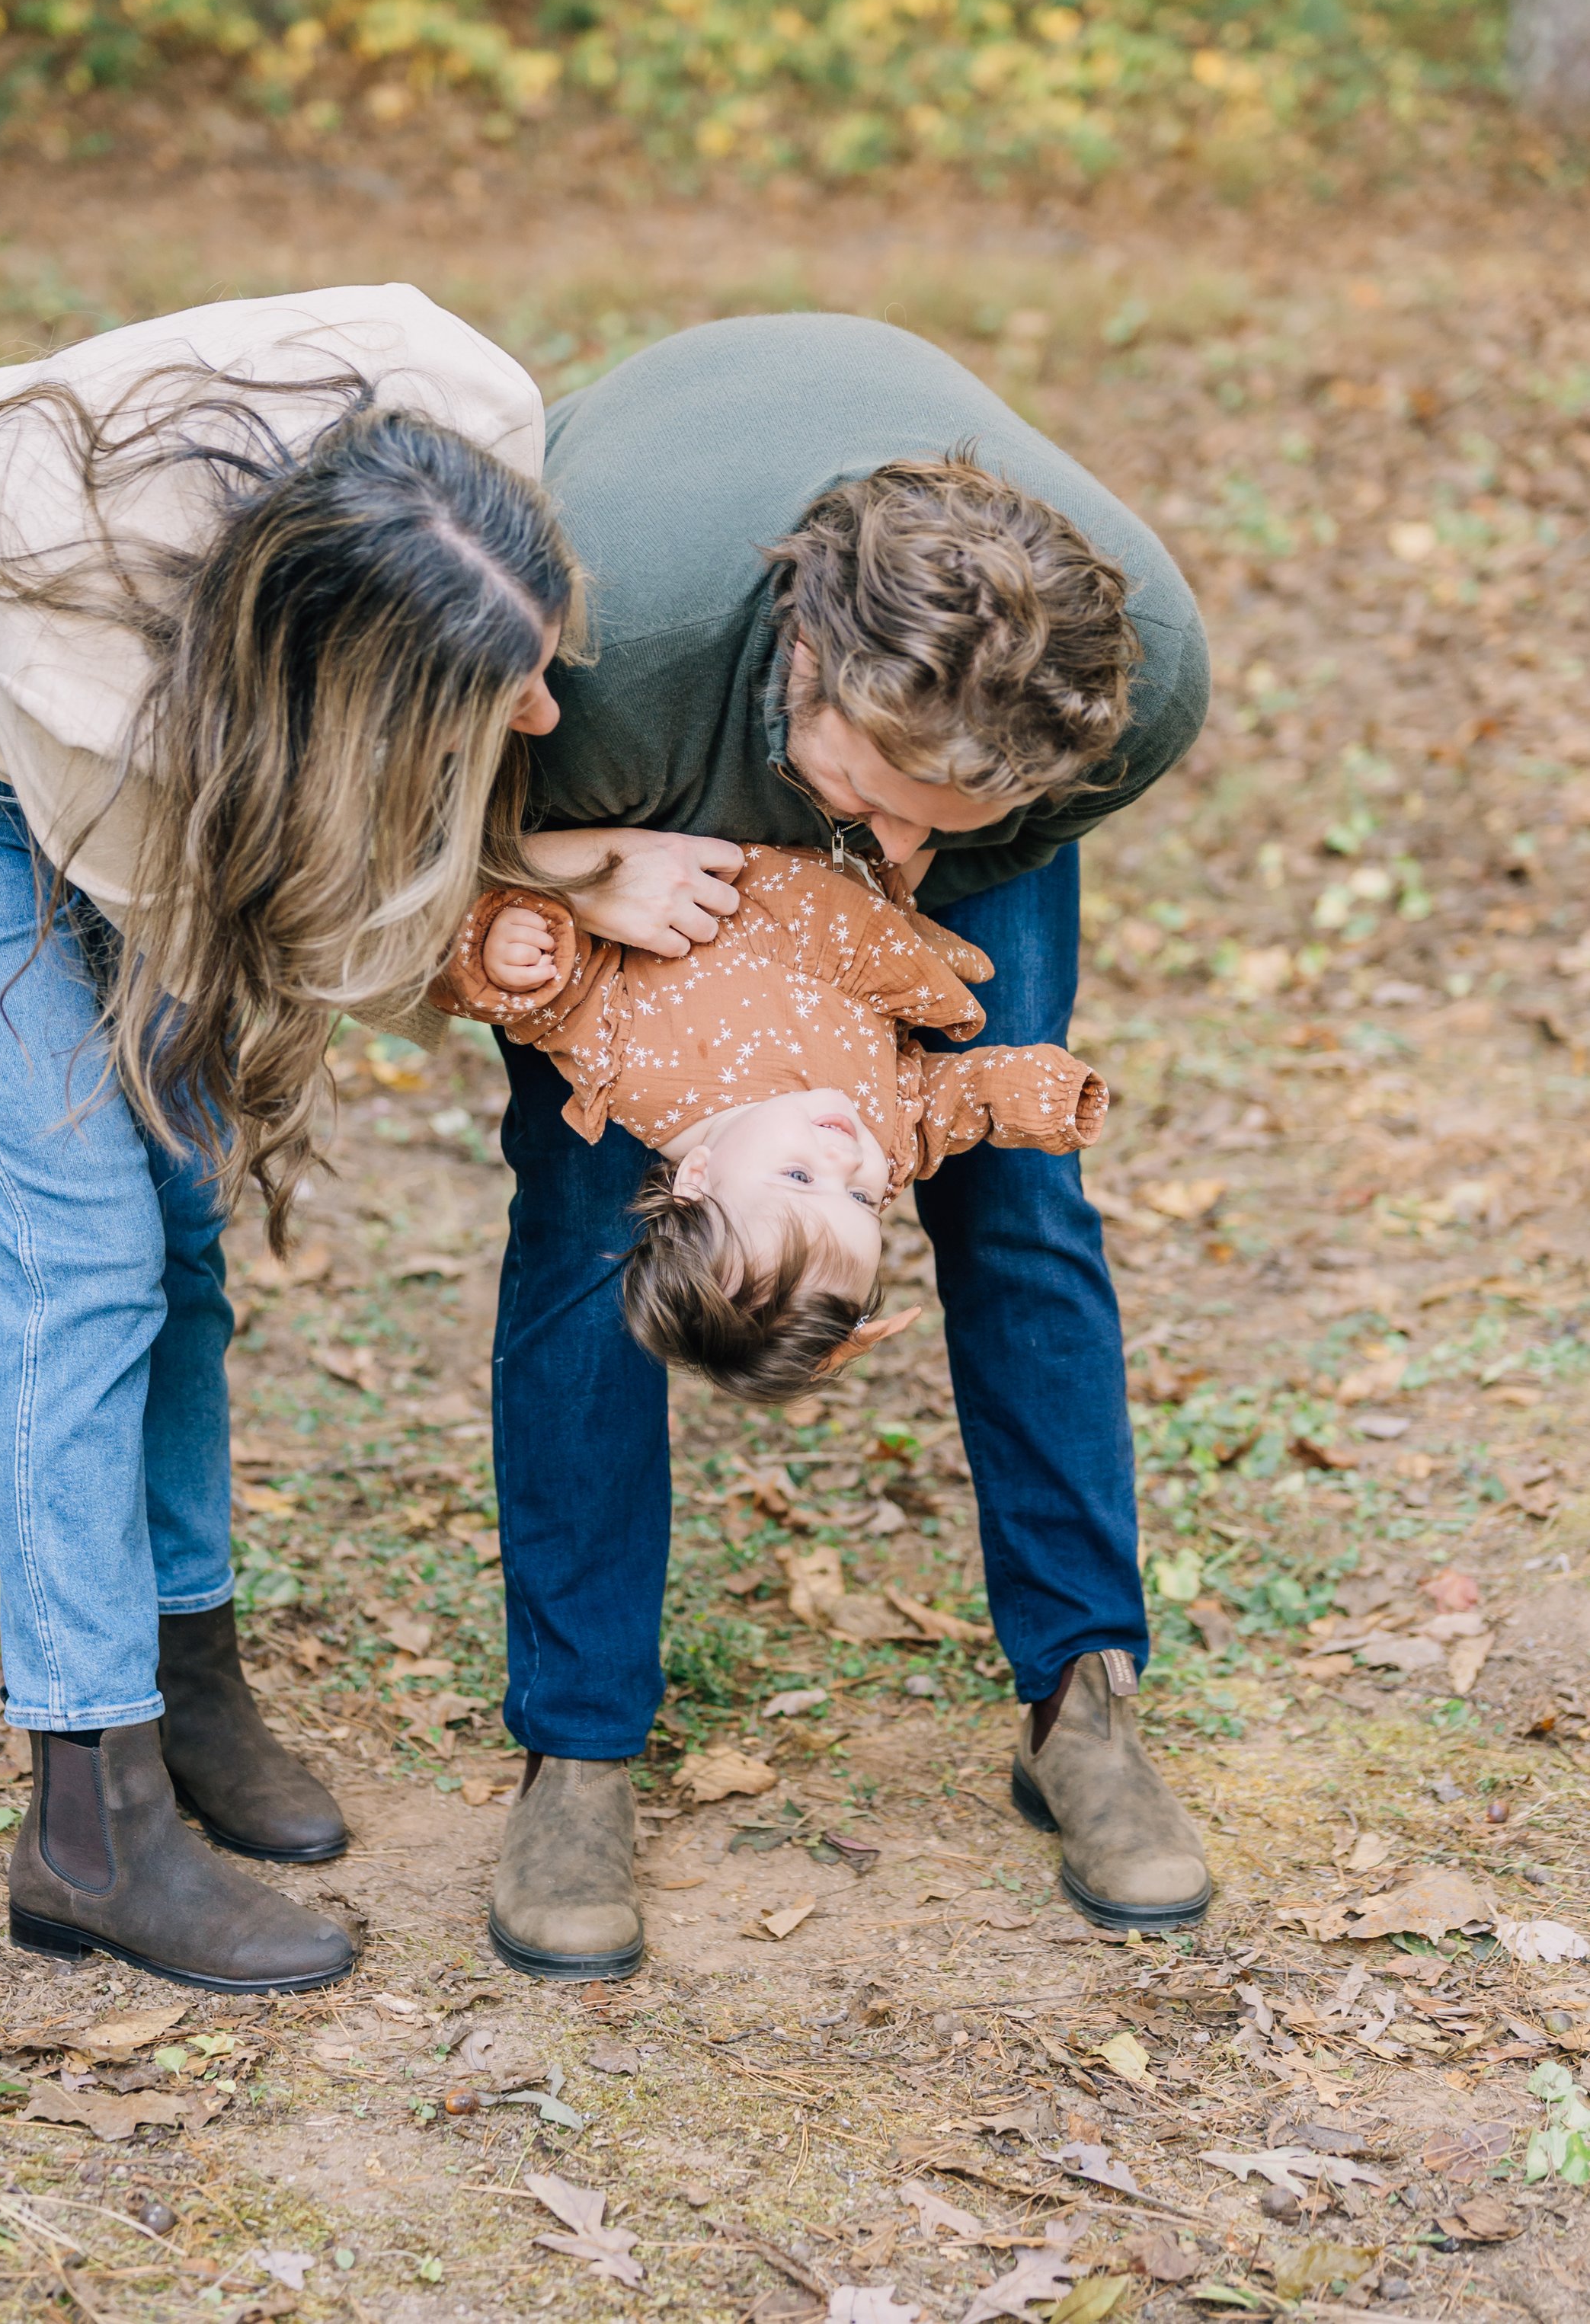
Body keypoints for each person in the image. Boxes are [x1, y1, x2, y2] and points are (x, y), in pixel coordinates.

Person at [0, 285, 574, 1994]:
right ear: (337, 703)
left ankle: (184, 1678)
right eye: (486, 700)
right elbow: (320, 945)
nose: (543, 722)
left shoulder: (457, 398)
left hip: (170, 703)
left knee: (182, 1214)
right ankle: (88, 1817)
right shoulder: (112, 712)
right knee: (86, 1240)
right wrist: (561, 886)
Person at [475, 318, 1214, 1983]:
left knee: (1013, 1192)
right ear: (806, 667)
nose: (879, 854)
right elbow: (407, 833)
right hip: (649, 778)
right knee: (602, 1203)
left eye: (927, 822)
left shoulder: (1131, 682)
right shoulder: (605, 642)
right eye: (859, 790)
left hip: (947, 747)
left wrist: (912, 885)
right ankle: (577, 1744)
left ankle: (1078, 1699)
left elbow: (934, 822)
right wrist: (573, 871)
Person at [430, 841, 1107, 1399]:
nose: (844, 1161)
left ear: (697, 1177)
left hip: (717, 837)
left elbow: (562, 993)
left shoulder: (632, 1071)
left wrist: (507, 954)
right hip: (867, 853)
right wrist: (1031, 1095)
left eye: (798, 1175)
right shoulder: (882, 1141)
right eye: (863, 1199)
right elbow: (941, 1102)